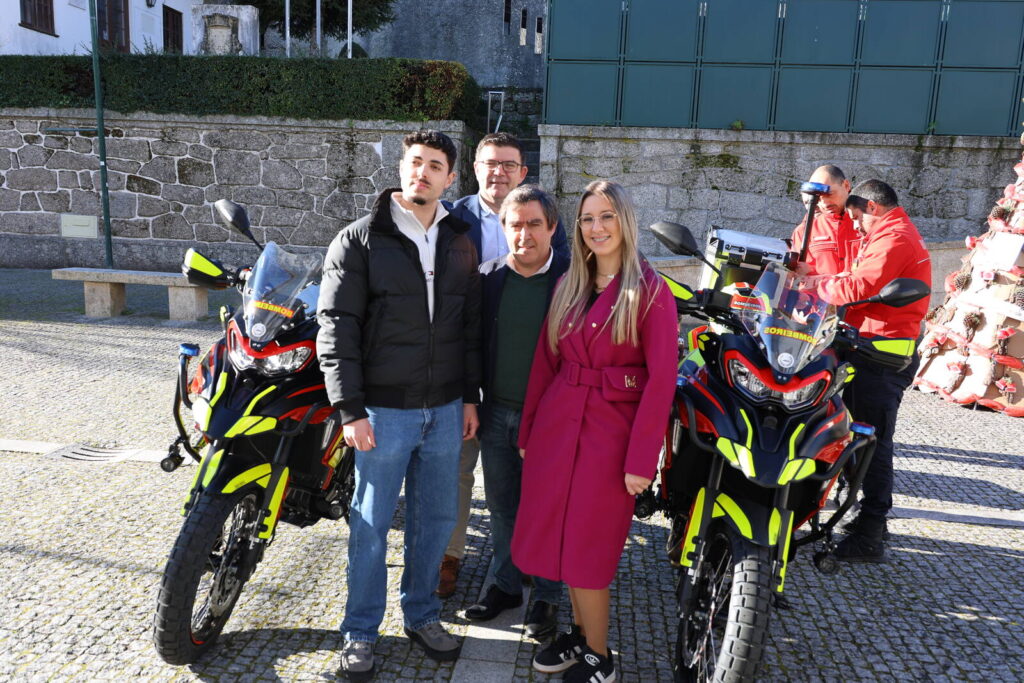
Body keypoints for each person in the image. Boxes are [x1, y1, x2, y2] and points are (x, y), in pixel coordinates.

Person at [316, 130, 481, 681]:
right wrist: (350, 409)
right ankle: (360, 630)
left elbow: (469, 329)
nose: (422, 172)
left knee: (435, 521)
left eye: (435, 165)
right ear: (402, 167)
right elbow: (337, 327)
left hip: (446, 409)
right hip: (383, 412)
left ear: (450, 178)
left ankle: (422, 614)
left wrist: (470, 397)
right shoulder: (359, 239)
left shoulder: (460, 239)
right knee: (370, 525)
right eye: (415, 162)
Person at [512, 180, 678, 681]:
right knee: (561, 540)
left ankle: (599, 657)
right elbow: (544, 362)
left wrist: (641, 460)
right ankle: (581, 636)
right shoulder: (571, 282)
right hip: (558, 426)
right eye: (587, 218)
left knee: (589, 546)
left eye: (606, 216)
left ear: (624, 221)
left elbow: (661, 382)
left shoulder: (651, 291)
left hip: (610, 436)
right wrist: (529, 431)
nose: (596, 227)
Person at [436, 132, 569, 599]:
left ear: (523, 172)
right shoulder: (451, 218)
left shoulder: (544, 220)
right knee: (458, 472)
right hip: (466, 374)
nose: (499, 172)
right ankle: (449, 557)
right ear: (475, 168)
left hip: (525, 385)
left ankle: (526, 568)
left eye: (508, 164)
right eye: (490, 163)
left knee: (528, 489)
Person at [461, 185, 570, 639]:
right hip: (496, 413)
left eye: (534, 224)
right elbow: (470, 342)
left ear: (552, 228)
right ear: (503, 228)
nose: (524, 234)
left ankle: (546, 596)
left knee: (546, 510)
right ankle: (505, 586)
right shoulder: (487, 277)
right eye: (515, 225)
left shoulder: (572, 279)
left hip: (549, 420)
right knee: (502, 507)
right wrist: (470, 399)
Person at [817, 179, 931, 563]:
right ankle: (868, 522)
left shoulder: (894, 238)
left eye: (857, 217)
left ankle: (871, 533)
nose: (856, 225)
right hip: (869, 348)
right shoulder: (887, 232)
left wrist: (814, 288)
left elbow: (860, 286)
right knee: (861, 439)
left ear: (872, 207)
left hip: (881, 356)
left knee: (873, 444)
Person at [790, 165, 862, 276]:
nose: (824, 203)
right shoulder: (803, 232)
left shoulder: (868, 222)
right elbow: (795, 278)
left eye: (829, 194)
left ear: (846, 186)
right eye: (818, 198)